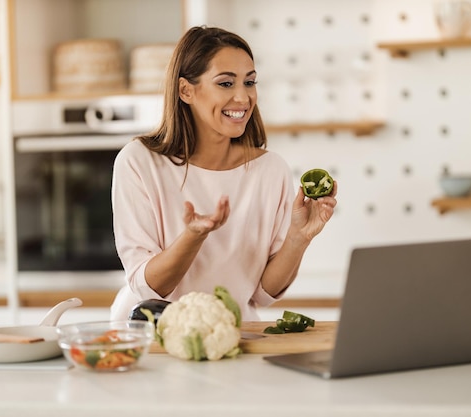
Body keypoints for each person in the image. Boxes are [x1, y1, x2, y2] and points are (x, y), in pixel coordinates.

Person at [110, 26, 337, 321]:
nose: (243, 98)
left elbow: (261, 293)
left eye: (250, 82)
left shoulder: (270, 170)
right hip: (150, 334)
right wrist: (193, 236)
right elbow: (148, 286)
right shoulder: (139, 162)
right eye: (226, 83)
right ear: (185, 90)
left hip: (234, 333)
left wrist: (299, 237)